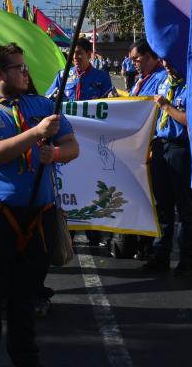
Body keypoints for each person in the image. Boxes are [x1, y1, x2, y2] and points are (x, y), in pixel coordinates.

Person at [0, 44, 79, 367]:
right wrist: (35, 134)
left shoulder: (42, 105)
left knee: (24, 303)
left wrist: (54, 153)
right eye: (19, 68)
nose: (26, 73)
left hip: (36, 219)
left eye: (25, 67)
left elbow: (72, 145)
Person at [46, 36, 113, 251]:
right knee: (70, 182)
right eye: (72, 55)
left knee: (91, 184)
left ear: (89, 55)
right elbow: (48, 100)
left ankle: (94, 232)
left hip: (91, 142)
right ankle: (70, 231)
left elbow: (110, 107)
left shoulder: (101, 77)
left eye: (79, 55)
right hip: (67, 141)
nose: (75, 59)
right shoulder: (63, 76)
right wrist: (52, 97)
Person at [113, 39, 168, 260]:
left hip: (153, 147)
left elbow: (156, 114)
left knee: (156, 201)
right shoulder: (141, 80)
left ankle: (153, 246)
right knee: (139, 197)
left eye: (136, 58)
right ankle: (141, 243)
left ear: (150, 55)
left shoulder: (161, 79)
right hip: (137, 150)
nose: (132, 63)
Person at [140, 66, 192, 276]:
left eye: (169, 60)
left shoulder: (191, 82)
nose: (165, 64)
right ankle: (160, 254)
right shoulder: (162, 81)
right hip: (160, 146)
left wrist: (166, 106)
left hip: (180, 148)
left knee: (184, 206)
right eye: (163, 60)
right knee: (162, 206)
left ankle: (187, 259)